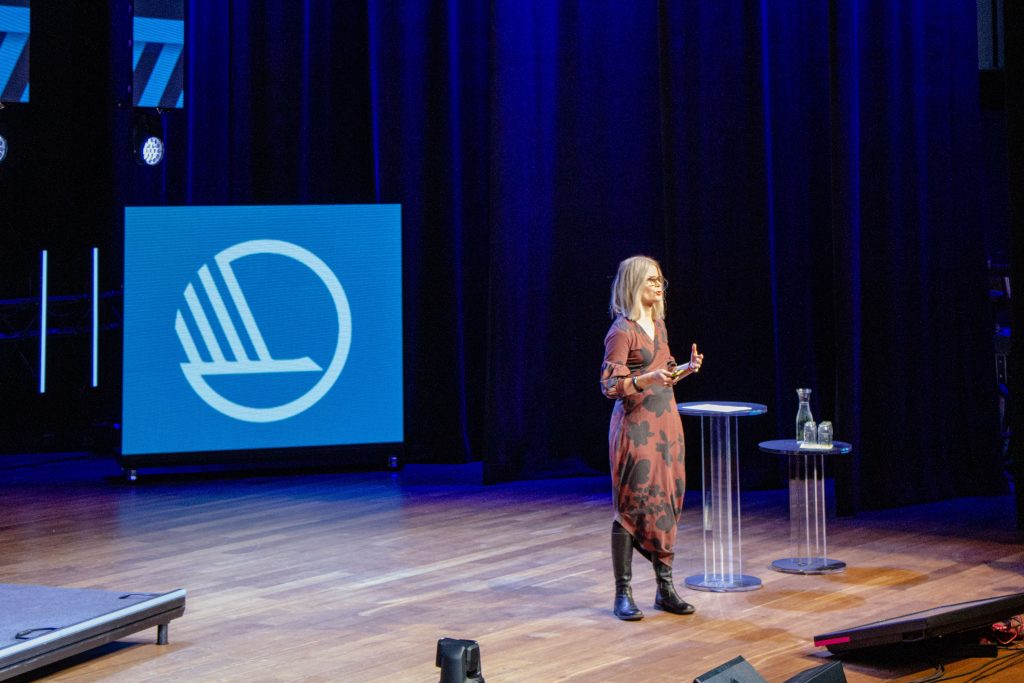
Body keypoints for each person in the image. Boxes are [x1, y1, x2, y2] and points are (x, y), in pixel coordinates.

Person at [599, 255, 703, 620]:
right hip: (636, 427)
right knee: (632, 504)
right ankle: (623, 593)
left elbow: (665, 374)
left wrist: (686, 369)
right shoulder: (622, 331)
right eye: (651, 280)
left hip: (666, 425)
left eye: (660, 280)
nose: (659, 285)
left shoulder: (659, 325)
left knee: (667, 501)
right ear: (633, 284)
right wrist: (646, 379)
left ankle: (665, 589)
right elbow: (610, 386)